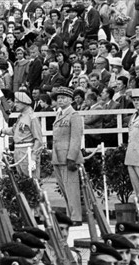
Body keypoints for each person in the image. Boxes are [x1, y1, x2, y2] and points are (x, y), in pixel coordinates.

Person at [51, 86, 83, 225]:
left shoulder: (74, 115)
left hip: (68, 157)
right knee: (64, 189)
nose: (60, 100)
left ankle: (76, 217)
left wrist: (72, 157)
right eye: (58, 98)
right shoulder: (59, 114)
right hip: (58, 156)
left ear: (70, 100)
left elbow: (76, 138)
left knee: (72, 189)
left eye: (63, 98)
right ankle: (70, 215)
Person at [0, 91, 43, 178]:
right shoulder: (21, 116)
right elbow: (14, 130)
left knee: (32, 181)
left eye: (17, 102)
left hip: (27, 151)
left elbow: (38, 139)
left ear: (25, 103)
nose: (15, 104)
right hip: (18, 151)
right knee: (21, 180)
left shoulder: (32, 117)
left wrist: (33, 157)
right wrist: (2, 130)